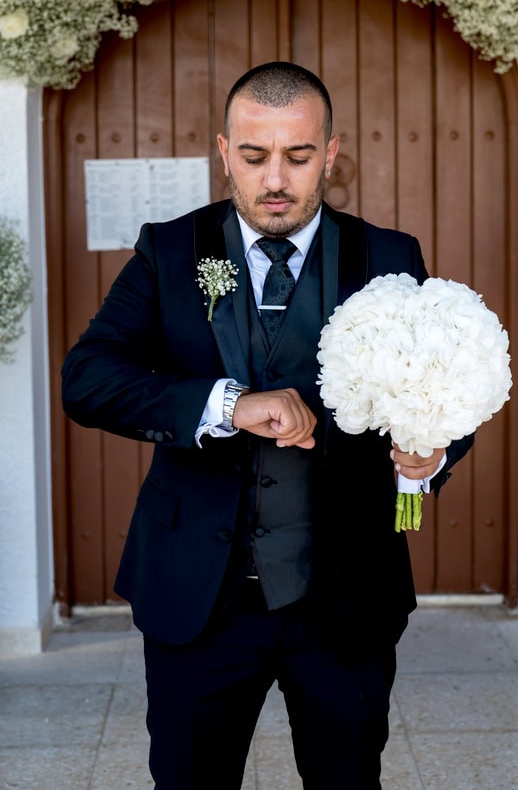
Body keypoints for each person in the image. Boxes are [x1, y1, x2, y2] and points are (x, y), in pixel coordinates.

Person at [62, 61, 473, 789]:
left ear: (332, 153)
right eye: (254, 157)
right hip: (200, 600)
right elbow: (88, 380)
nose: (275, 178)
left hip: (343, 598)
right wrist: (225, 403)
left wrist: (431, 454)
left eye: (298, 155)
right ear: (224, 152)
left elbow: (438, 385)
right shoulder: (170, 252)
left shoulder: (387, 256)